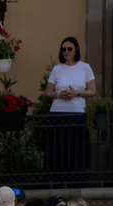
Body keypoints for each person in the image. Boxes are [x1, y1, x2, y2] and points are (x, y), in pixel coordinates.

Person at [44, 37, 96, 173]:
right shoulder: (57, 69)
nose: (66, 52)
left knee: (77, 149)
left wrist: (76, 93)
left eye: (69, 49)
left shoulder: (85, 67)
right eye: (63, 49)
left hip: (77, 113)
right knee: (58, 149)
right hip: (57, 113)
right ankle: (57, 179)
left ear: (76, 49)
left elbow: (92, 90)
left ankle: (77, 179)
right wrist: (58, 95)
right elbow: (48, 92)